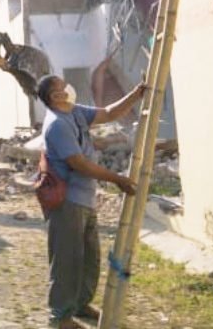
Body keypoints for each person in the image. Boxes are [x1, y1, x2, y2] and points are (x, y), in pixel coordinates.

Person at [37, 75, 144, 329]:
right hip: (67, 202)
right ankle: (60, 317)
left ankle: (80, 303)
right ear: (55, 96)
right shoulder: (57, 125)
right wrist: (116, 178)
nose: (68, 88)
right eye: (63, 86)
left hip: (84, 198)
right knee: (67, 260)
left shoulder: (74, 112)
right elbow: (79, 163)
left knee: (89, 257)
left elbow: (108, 113)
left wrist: (137, 94)